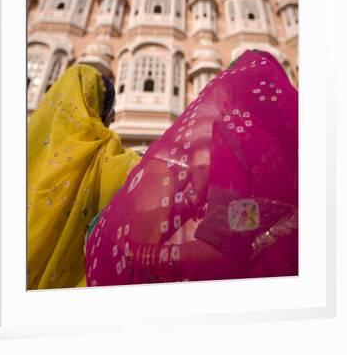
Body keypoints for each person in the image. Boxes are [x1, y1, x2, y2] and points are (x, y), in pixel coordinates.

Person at [85, 50, 298, 286]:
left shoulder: (238, 142)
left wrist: (139, 254)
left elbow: (222, 250)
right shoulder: (293, 141)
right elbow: (249, 219)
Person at [27, 64, 140, 289]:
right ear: (93, 106)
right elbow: (147, 179)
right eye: (109, 107)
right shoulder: (105, 156)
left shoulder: (21, 147)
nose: (114, 116)